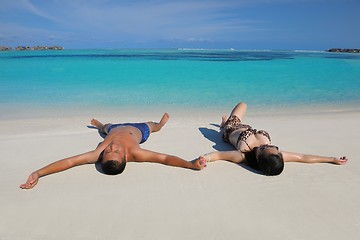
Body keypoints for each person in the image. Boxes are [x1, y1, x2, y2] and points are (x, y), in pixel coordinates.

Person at [20, 113, 205, 189]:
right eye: (115, 151)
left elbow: (69, 162)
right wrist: (190, 164)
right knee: (154, 126)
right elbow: (164, 158)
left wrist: (38, 173)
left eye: (108, 151)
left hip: (114, 128)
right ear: (126, 156)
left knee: (105, 128)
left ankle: (100, 125)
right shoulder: (136, 153)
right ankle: (161, 124)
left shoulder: (97, 154)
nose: (111, 147)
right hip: (139, 129)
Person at [199, 102, 348, 175]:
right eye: (275, 147)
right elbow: (303, 157)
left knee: (237, 109)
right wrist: (332, 159)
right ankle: (223, 123)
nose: (274, 147)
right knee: (244, 104)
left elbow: (218, 155)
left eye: (266, 148)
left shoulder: (242, 155)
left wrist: (205, 159)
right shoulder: (276, 155)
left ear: (259, 156)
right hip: (248, 128)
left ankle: (223, 125)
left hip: (233, 128)